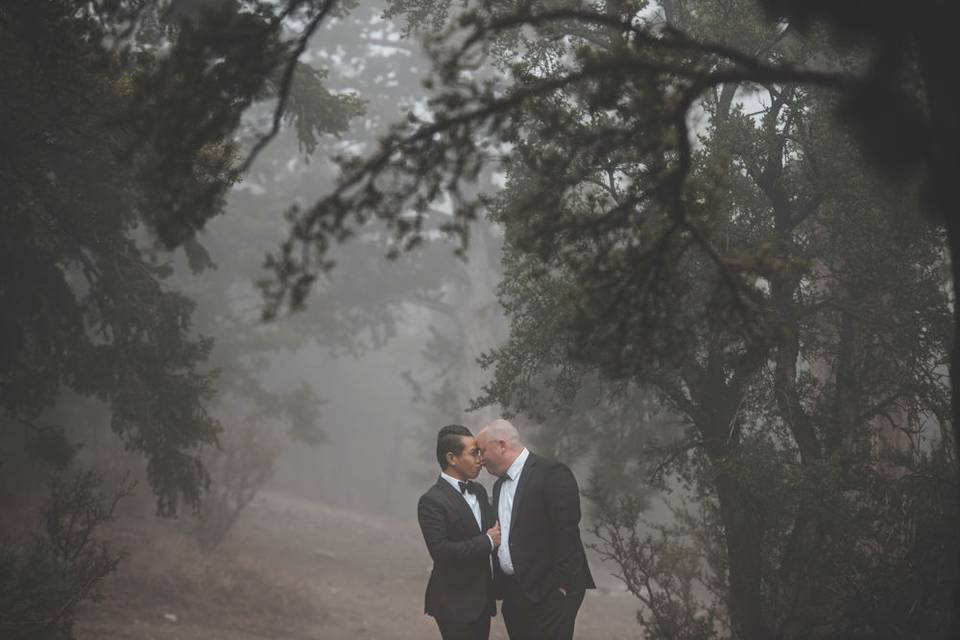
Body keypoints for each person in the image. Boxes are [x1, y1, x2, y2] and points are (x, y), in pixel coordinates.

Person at [476, 419, 595, 640]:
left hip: (552, 593)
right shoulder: (499, 485)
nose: (480, 459)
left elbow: (566, 532)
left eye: (482, 451)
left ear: (501, 445)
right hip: (516, 596)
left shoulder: (552, 473)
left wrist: (560, 587)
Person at [418, 424, 502, 640]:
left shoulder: (480, 491)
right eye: (474, 453)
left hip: (482, 600)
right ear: (451, 458)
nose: (480, 459)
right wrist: (487, 541)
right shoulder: (431, 501)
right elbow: (441, 551)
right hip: (452, 601)